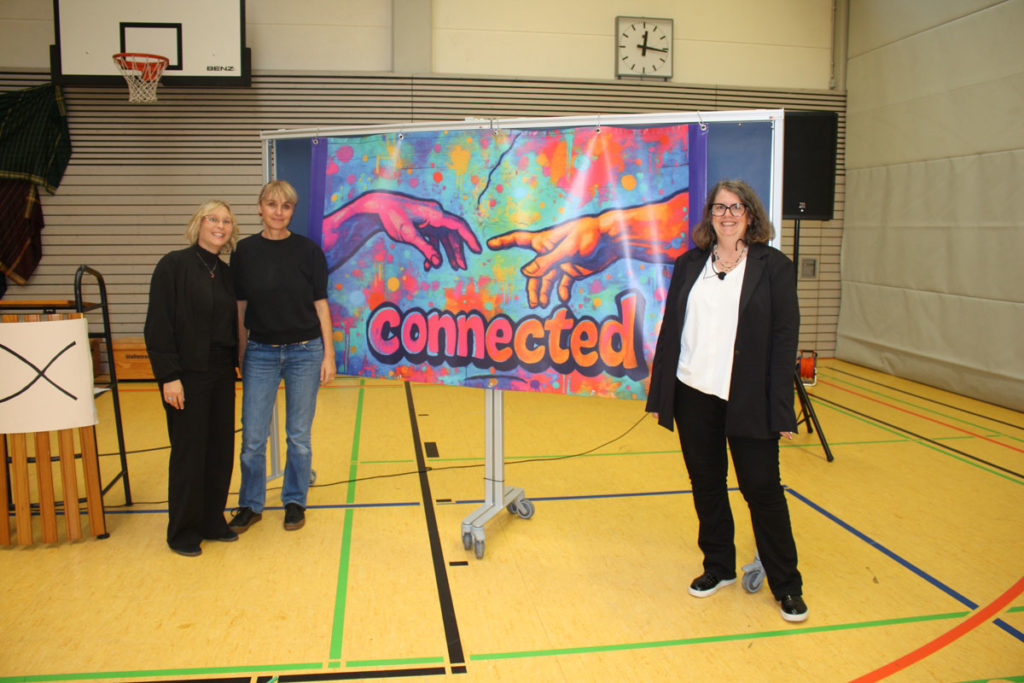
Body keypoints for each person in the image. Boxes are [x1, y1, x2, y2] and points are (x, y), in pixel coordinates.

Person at [645, 179, 807, 622]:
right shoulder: (689, 264)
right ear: (710, 216)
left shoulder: (774, 268)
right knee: (707, 485)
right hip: (693, 393)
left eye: (736, 208)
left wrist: (781, 409)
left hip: (749, 399)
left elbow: (784, 341)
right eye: (720, 207)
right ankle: (718, 566)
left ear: (750, 215)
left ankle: (787, 584)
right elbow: (671, 330)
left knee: (762, 490)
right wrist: (661, 393)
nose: (728, 215)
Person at [228, 180, 335, 534]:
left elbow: (321, 304)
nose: (278, 211)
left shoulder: (308, 251)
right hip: (260, 353)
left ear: (292, 211)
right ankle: (250, 504)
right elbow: (240, 305)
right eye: (272, 204)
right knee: (253, 438)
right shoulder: (244, 252)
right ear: (260, 208)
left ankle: (294, 500)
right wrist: (242, 350)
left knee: (298, 436)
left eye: (285, 206)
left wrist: (328, 355)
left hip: (305, 352)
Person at [144, 200, 241, 557]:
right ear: (198, 224)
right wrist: (169, 376)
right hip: (187, 375)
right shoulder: (174, 265)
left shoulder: (226, 274)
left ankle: (212, 521)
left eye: (226, 221)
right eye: (213, 219)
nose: (220, 226)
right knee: (189, 453)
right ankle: (183, 531)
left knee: (219, 451)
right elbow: (158, 324)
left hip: (221, 373)